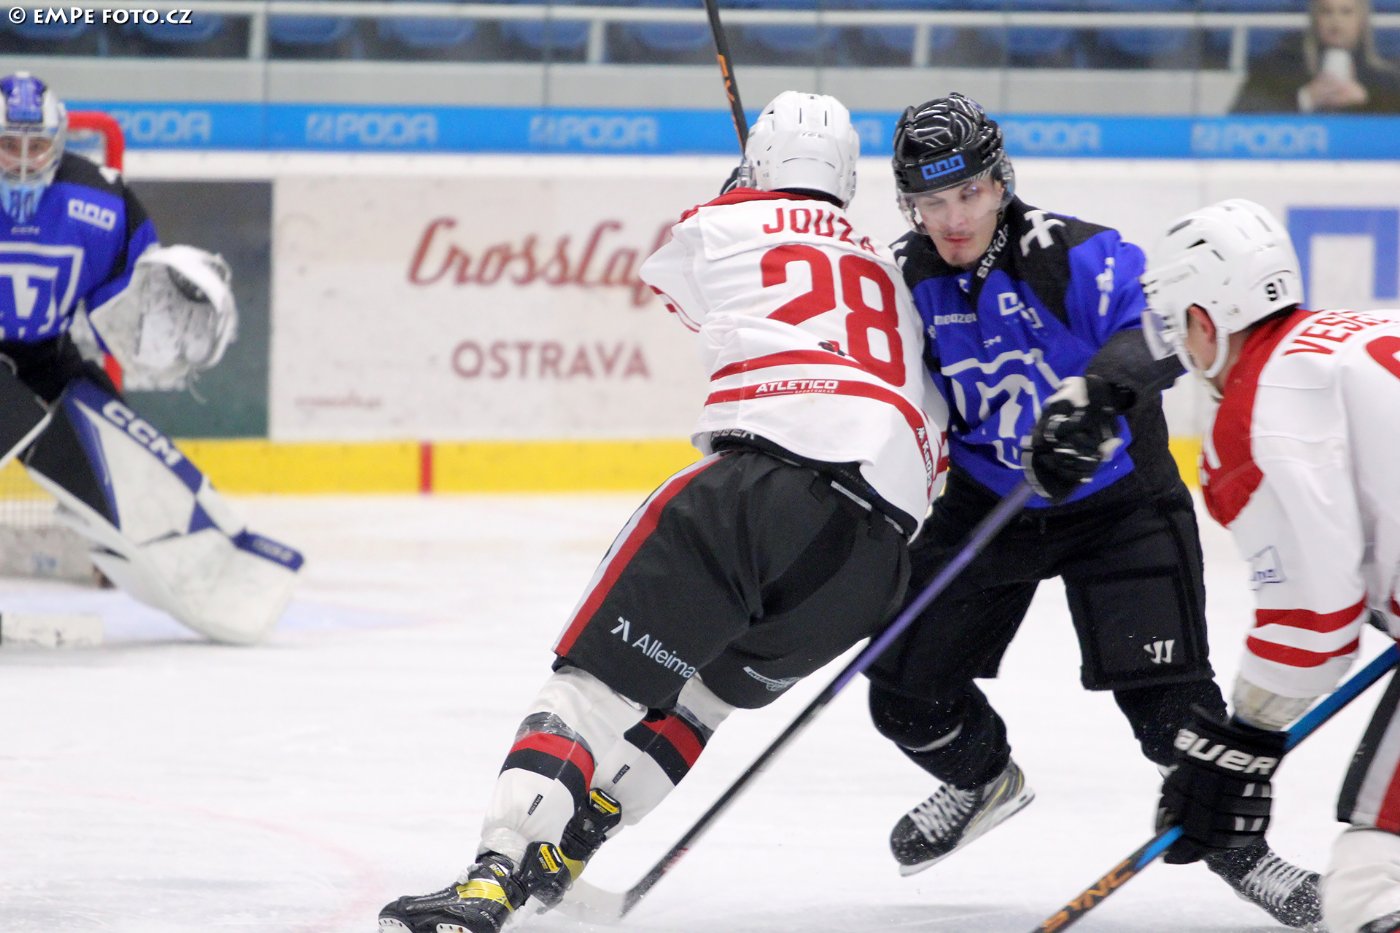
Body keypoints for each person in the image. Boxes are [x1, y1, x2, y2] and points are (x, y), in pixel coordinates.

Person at [378, 90, 946, 933]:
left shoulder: (724, 222)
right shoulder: (895, 276)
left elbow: (682, 290)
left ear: (757, 162)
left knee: (594, 686)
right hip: (875, 561)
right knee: (702, 701)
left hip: (764, 490)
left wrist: (735, 196)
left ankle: (494, 876)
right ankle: (575, 845)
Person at [864, 91, 1323, 928]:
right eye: (931, 201)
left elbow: (1165, 325)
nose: (953, 219)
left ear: (1001, 182)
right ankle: (981, 779)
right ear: (909, 205)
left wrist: (1098, 395)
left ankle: (1246, 855)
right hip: (989, 504)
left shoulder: (1072, 253)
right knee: (902, 688)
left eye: (968, 192)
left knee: (1174, 717)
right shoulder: (904, 277)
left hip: (1119, 507)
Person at [1145, 198, 1400, 933]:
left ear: (1206, 318)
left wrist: (1239, 747)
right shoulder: (1364, 331)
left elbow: (1314, 621)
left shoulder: (1257, 409)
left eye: (1180, 324)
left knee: (1371, 880)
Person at [0, 71, 302, 644]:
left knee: (139, 474)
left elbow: (130, 307)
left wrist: (166, 315)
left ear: (58, 144)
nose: (20, 160)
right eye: (7, 144)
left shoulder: (101, 201)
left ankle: (227, 577)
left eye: (34, 145)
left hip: (47, 360)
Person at [1231, 0, 1400, 114]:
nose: (1336, 22)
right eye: (1327, 12)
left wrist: (1366, 101)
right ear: (1315, 18)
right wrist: (1305, 99)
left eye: (1346, 12)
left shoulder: (1385, 79)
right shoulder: (1278, 67)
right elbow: (1242, 116)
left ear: (1361, 19)